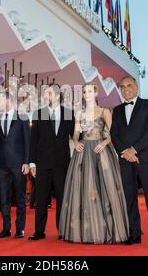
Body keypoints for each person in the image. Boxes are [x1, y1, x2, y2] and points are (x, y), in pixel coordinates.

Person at [59, 83, 129, 244]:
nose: (86, 94)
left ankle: (107, 230)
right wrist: (76, 143)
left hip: (101, 151)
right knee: (84, 190)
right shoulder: (79, 113)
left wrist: (104, 144)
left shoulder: (104, 111)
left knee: (104, 189)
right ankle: (88, 232)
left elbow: (113, 134)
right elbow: (76, 133)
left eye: (90, 91)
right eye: (84, 91)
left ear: (96, 93)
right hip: (83, 152)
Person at [111, 76, 148, 250]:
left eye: (129, 85)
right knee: (129, 198)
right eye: (122, 87)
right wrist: (125, 153)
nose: (125, 89)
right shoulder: (117, 110)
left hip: (145, 159)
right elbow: (114, 135)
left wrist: (133, 150)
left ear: (136, 87)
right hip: (125, 160)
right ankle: (134, 233)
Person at [28, 84, 74, 241]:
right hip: (42, 163)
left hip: (62, 163)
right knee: (41, 199)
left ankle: (62, 231)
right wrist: (32, 163)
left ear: (57, 94)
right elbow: (33, 140)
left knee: (62, 199)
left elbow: (75, 136)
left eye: (50, 92)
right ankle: (39, 231)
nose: (47, 94)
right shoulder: (38, 113)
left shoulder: (69, 113)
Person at [0, 92, 30, 239]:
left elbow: (28, 142)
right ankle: (6, 228)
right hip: (1, 165)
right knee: (3, 197)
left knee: (20, 197)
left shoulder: (22, 117)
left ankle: (20, 228)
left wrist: (27, 162)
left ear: (8, 101)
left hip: (18, 164)